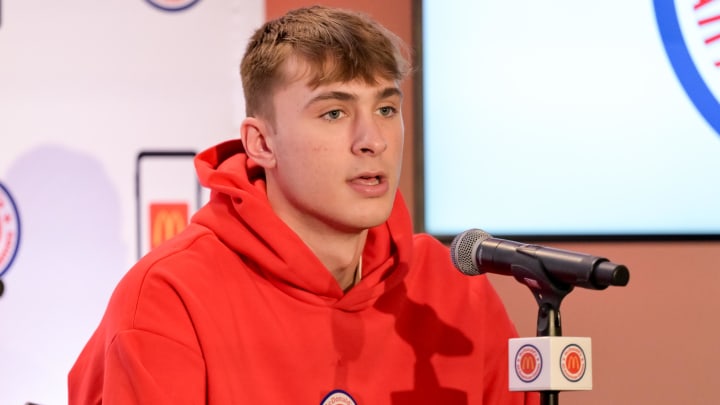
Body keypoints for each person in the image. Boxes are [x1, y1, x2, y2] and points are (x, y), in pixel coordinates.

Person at [68, 6, 539, 404]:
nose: (372, 140)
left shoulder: (455, 291)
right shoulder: (169, 298)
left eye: (386, 109)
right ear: (261, 143)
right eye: (334, 113)